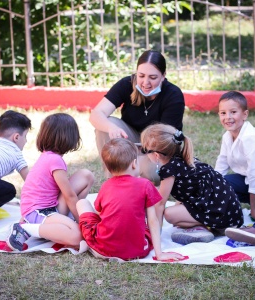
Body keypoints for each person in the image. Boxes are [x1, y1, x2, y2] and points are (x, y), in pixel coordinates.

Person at [76, 138, 184, 261]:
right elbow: (153, 220)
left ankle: (88, 240)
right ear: (134, 163)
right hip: (138, 250)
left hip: (104, 249)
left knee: (82, 202)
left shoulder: (106, 186)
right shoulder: (145, 185)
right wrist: (159, 253)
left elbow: (100, 214)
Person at [89, 50, 185, 184]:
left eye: (153, 77)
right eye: (141, 76)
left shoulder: (173, 95)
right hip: (131, 141)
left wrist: (133, 151)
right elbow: (96, 114)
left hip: (157, 149)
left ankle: (124, 168)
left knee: (153, 172)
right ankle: (114, 179)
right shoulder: (126, 84)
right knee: (105, 125)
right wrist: (111, 128)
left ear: (163, 76)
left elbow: (166, 141)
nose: (145, 83)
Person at [140, 123, 244, 245]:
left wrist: (155, 234)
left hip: (223, 218)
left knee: (170, 214)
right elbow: (188, 193)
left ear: (156, 155)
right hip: (231, 212)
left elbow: (160, 204)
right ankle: (204, 228)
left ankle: (211, 226)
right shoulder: (184, 158)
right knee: (177, 213)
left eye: (144, 150)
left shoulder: (169, 170)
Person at [6, 113, 94, 251]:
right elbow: (69, 196)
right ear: (68, 137)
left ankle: (63, 223)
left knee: (86, 175)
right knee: (77, 235)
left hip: (50, 207)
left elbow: (66, 193)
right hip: (38, 212)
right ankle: (25, 228)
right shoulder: (55, 160)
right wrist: (84, 222)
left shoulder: (51, 157)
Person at [215, 91, 255, 246]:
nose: (228, 117)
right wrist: (210, 185)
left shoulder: (250, 137)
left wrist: (253, 207)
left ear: (245, 114)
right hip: (250, 177)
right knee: (221, 183)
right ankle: (219, 217)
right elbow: (222, 164)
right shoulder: (227, 136)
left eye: (233, 112)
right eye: (223, 113)